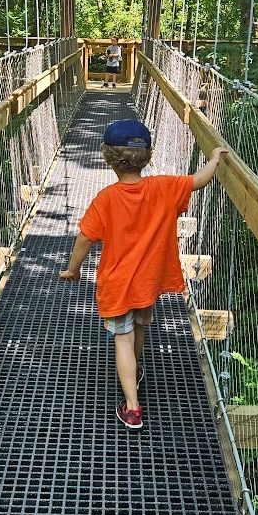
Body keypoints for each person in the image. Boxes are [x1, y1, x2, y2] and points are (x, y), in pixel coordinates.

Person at [59, 118, 228, 430]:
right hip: (150, 281)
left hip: (118, 284)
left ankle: (133, 407)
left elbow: (84, 238)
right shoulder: (164, 187)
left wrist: (73, 269)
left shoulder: (105, 199)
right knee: (140, 327)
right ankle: (134, 372)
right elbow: (198, 181)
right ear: (148, 157)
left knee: (121, 339)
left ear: (108, 157)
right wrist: (214, 160)